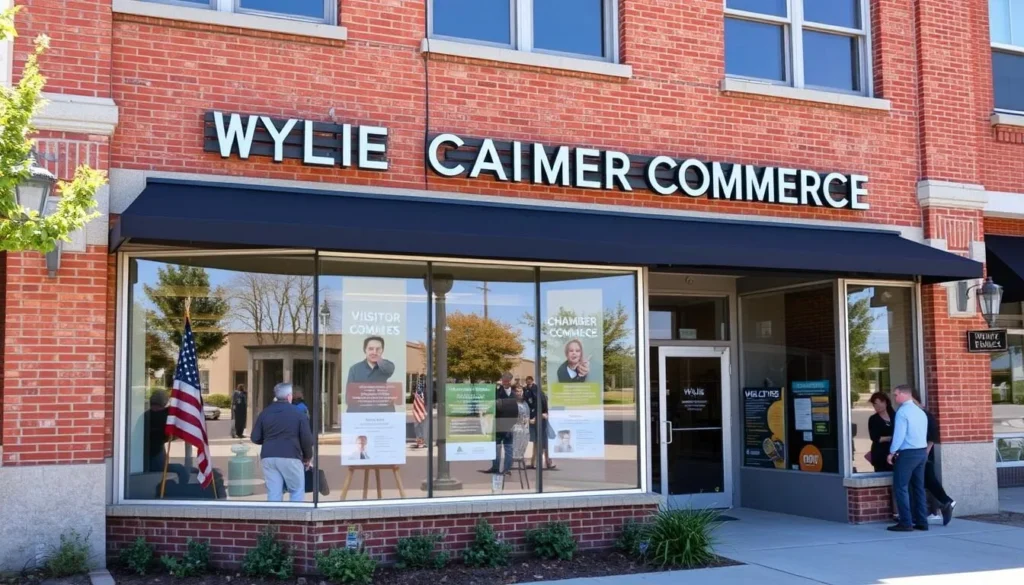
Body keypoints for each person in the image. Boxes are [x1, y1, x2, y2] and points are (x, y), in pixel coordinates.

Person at [251, 382, 314, 502]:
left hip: (268, 457)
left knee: (274, 493)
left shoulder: (265, 413)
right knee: (296, 490)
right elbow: (307, 439)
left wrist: (269, 440)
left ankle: (275, 520)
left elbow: (255, 437)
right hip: (291, 456)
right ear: (289, 396)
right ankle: (295, 519)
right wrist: (307, 457)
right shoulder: (298, 414)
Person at [887, 384, 929, 532]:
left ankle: (906, 522)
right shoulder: (920, 412)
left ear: (905, 395)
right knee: (918, 488)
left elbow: (899, 435)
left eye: (896, 394)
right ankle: (922, 521)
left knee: (901, 487)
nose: (895, 397)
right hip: (921, 452)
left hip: (908, 453)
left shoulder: (902, 412)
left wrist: (892, 452)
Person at [911, 387, 956, 526]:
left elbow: (932, 436)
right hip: (919, 452)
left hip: (924, 453)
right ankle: (938, 507)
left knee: (928, 480)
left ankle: (945, 502)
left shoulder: (924, 414)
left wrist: (926, 452)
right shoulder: (914, 413)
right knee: (926, 482)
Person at [484, 372, 518, 475]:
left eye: (507, 380)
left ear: (510, 381)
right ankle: (495, 467)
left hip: (509, 425)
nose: (505, 382)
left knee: (508, 448)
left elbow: (517, 410)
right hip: (498, 424)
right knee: (496, 447)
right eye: (504, 380)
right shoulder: (496, 392)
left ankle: (507, 469)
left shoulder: (514, 394)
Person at [523, 376, 555, 470]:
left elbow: (540, 405)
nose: (528, 384)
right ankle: (536, 462)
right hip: (536, 418)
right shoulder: (530, 391)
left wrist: (538, 415)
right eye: (527, 382)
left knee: (542, 441)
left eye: (530, 382)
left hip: (539, 418)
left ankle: (544, 461)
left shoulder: (536, 392)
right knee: (537, 441)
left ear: (532, 381)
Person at [867, 392, 895, 472]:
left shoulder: (895, 416)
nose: (877, 406)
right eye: (875, 404)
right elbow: (874, 438)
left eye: (880, 403)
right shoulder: (873, 419)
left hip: (894, 452)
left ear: (886, 402)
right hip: (880, 453)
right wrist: (890, 438)